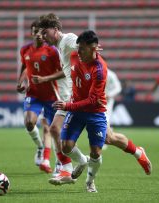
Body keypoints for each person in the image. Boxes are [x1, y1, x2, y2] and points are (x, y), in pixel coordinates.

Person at [37, 13, 152, 183]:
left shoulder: (67, 39)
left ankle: (138, 152)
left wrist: (93, 49)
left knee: (109, 138)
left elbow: (80, 45)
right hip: (73, 95)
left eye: (45, 32)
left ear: (55, 29)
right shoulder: (59, 47)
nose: (42, 36)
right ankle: (69, 168)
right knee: (55, 129)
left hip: (84, 99)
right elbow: (70, 67)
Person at [52, 30, 108, 192]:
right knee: (66, 146)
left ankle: (90, 182)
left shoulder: (99, 69)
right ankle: (83, 161)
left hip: (94, 111)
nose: (79, 52)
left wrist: (67, 106)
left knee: (96, 153)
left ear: (92, 48)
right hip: (76, 109)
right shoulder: (75, 55)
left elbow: (92, 101)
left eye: (82, 49)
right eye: (78, 48)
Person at [16, 20, 62, 174]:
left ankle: (58, 164)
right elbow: (25, 66)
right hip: (33, 94)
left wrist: (45, 79)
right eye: (36, 32)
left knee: (52, 129)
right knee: (29, 123)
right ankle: (41, 147)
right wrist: (20, 81)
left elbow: (62, 71)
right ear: (31, 33)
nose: (40, 35)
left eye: (42, 32)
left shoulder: (52, 50)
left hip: (51, 95)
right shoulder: (25, 50)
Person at [102, 68, 122, 150]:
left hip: (108, 100)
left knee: (106, 118)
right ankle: (106, 136)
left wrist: (109, 95)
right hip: (97, 99)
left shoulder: (110, 74)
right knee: (103, 119)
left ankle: (106, 139)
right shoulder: (93, 71)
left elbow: (118, 88)